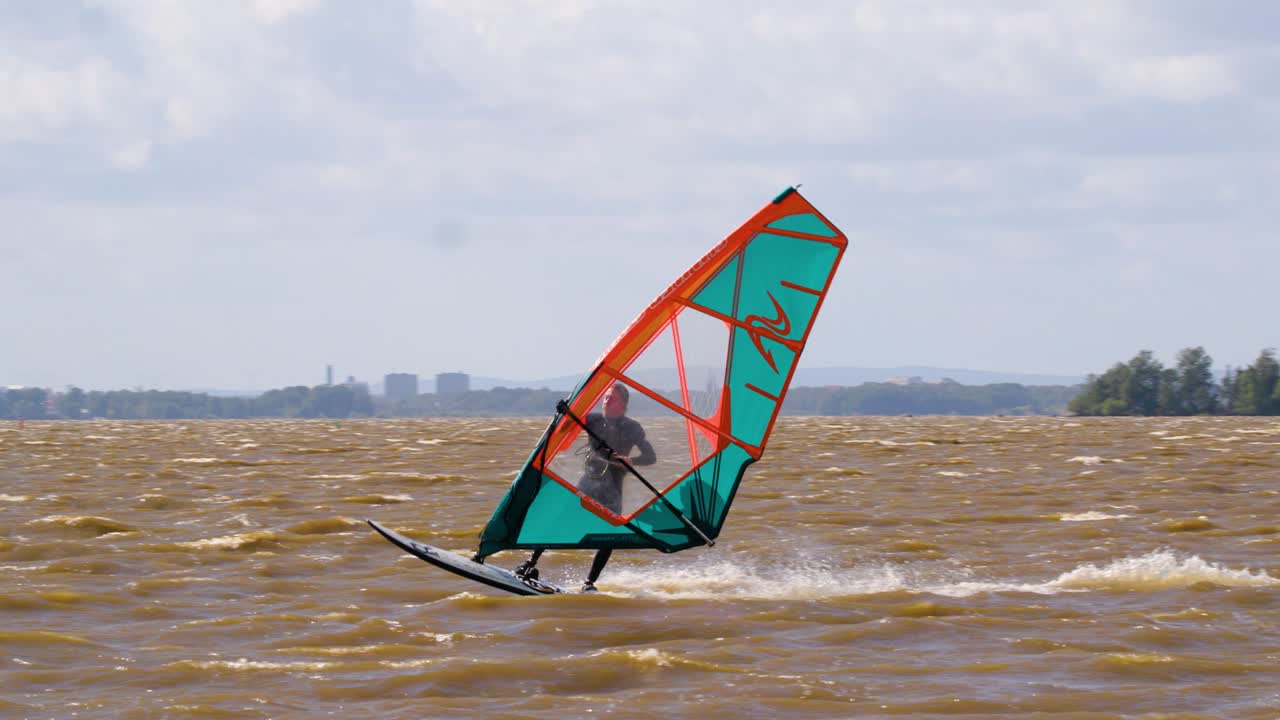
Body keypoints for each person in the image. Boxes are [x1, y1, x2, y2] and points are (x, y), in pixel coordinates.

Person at [514, 382, 656, 592]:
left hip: (613, 488)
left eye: (612, 398)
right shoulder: (594, 420)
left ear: (623, 404)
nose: (606, 401)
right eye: (605, 397)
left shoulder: (633, 428)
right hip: (589, 481)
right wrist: (564, 409)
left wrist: (630, 460)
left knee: (610, 535)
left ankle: (589, 584)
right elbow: (567, 422)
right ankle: (530, 563)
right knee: (558, 518)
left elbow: (650, 457)